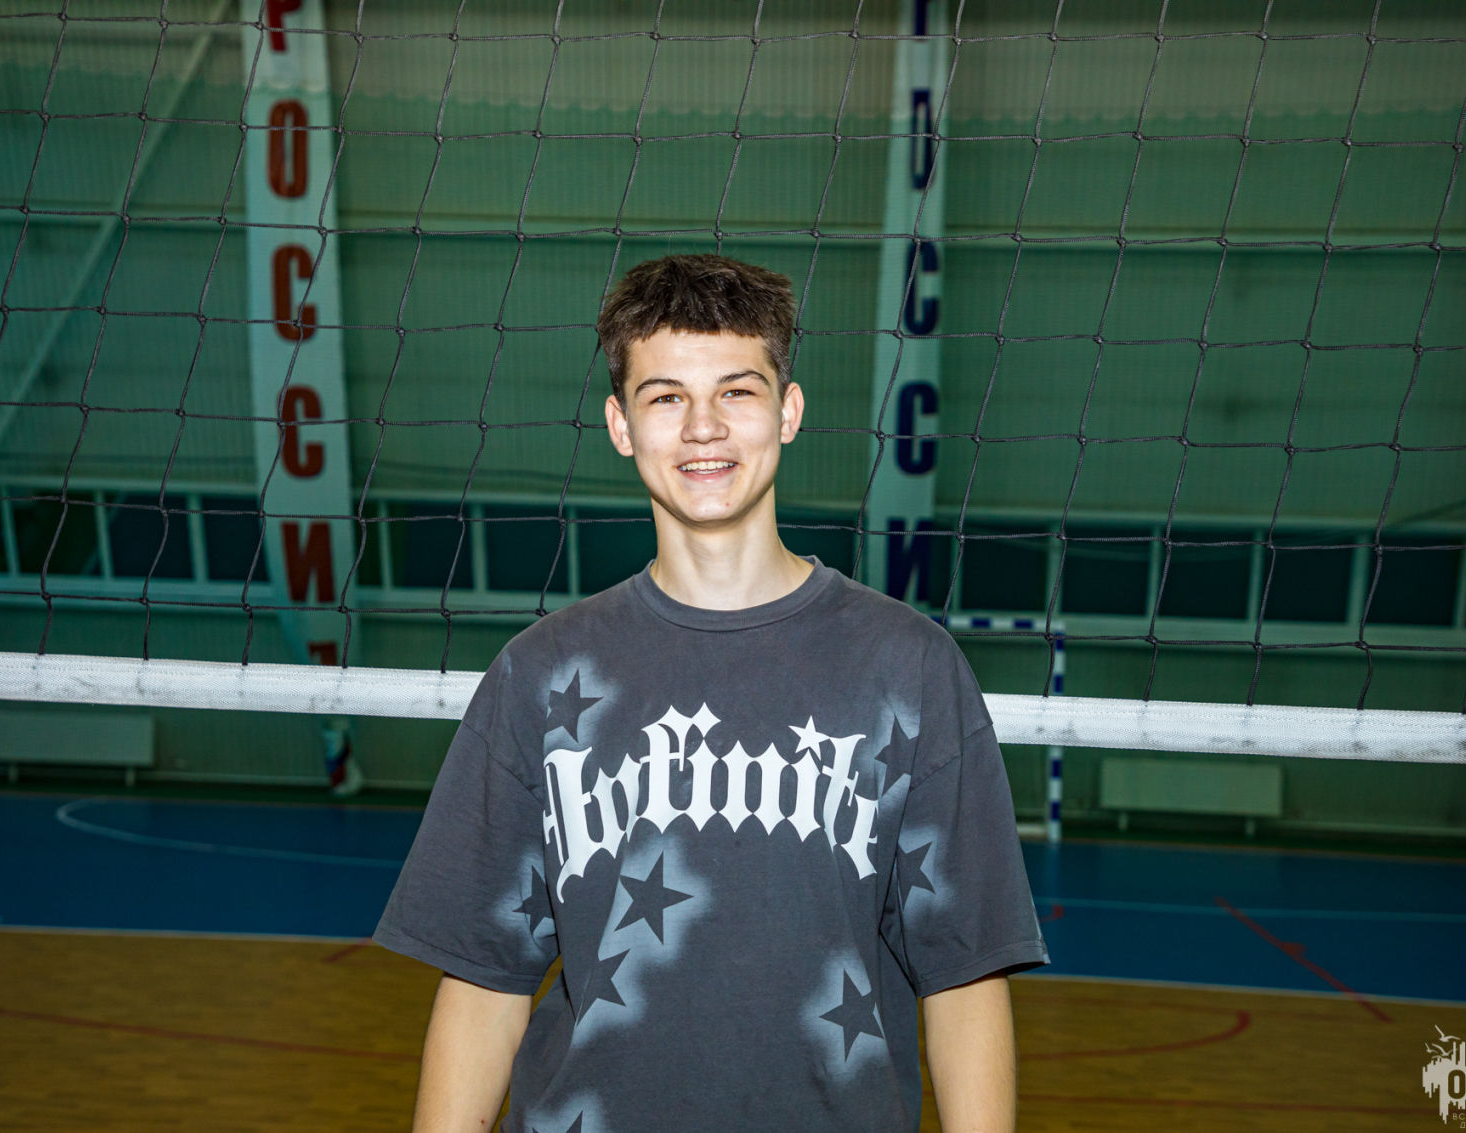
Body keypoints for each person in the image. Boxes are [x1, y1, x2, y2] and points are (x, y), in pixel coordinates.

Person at [373, 254, 1048, 1133]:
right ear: (620, 424)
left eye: (736, 391)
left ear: (788, 410)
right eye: (665, 397)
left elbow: (965, 976)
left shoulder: (910, 667)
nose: (703, 427)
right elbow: (482, 982)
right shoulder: (539, 674)